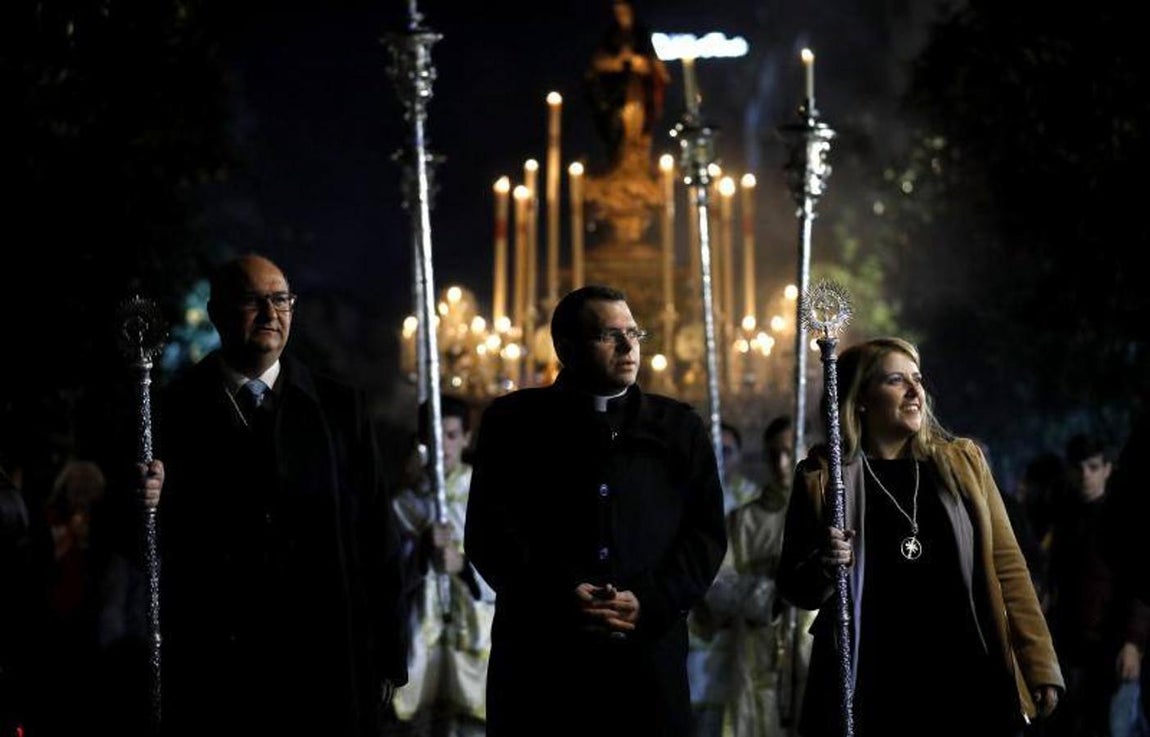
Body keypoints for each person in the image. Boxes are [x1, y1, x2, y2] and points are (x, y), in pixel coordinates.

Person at [147, 253, 408, 737]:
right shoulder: (172, 409)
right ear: (217, 312)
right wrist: (144, 502)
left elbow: (377, 535)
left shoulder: (340, 409)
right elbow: (142, 544)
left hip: (323, 661)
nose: (270, 314)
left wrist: (389, 653)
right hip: (216, 666)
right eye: (252, 300)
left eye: (281, 299)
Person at [464, 284, 727, 736]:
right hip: (542, 663)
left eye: (634, 333)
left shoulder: (678, 428)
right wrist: (560, 593)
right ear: (566, 348)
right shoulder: (513, 423)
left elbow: (705, 534)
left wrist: (649, 600)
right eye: (609, 335)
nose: (629, 347)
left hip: (646, 666)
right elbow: (490, 534)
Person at [778, 336, 1064, 737]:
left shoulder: (962, 464)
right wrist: (825, 566)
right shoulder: (825, 478)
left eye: (918, 379)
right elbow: (794, 587)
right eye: (896, 380)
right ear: (861, 399)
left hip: (963, 679)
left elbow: (1009, 568)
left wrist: (1038, 663)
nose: (915, 391)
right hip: (873, 686)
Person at [389, 394, 494, 737]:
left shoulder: (487, 495)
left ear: (466, 437)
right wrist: (421, 553)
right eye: (434, 437)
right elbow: (388, 574)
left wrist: (463, 565)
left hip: (475, 638)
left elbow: (511, 568)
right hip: (423, 637)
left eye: (451, 435)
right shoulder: (405, 504)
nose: (443, 446)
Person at [1045, 433, 1150, 737]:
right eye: (1079, 468)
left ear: (1107, 469)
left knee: (1113, 725)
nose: (1085, 476)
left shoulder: (1123, 519)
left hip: (1111, 643)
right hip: (1073, 643)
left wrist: (1133, 643)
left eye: (1093, 467)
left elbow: (1138, 585)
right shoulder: (1066, 520)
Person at [686, 420, 760, 735]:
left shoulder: (752, 502)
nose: (718, 458)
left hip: (738, 635)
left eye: (726, 451)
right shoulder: (682, 498)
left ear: (739, 456)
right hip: (691, 632)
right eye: (712, 450)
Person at [584, 0, 670, 169]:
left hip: (638, 90)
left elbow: (653, 62)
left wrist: (641, 62)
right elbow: (598, 63)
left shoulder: (641, 34)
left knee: (638, 121)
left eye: (624, 10)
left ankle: (637, 158)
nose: (621, 14)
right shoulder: (610, 35)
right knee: (617, 126)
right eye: (617, 11)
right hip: (616, 92)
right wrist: (617, 61)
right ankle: (619, 159)